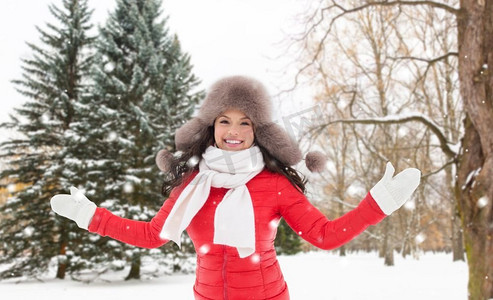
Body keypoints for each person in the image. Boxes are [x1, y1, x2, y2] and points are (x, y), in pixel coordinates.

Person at [51, 75, 421, 300]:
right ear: (211, 127)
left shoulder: (274, 186)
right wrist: (90, 215)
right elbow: (152, 235)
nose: (234, 131)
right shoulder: (194, 185)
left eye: (245, 123)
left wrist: (376, 205)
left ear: (257, 131)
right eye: (225, 120)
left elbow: (323, 235)